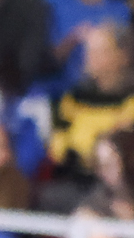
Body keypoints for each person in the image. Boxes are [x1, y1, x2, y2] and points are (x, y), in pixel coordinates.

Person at [48, 23, 134, 184]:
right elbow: (59, 138)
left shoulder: (130, 100)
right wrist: (66, 152)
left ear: (123, 56)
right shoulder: (74, 96)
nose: (92, 58)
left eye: (101, 51)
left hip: (119, 178)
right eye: (89, 51)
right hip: (74, 177)